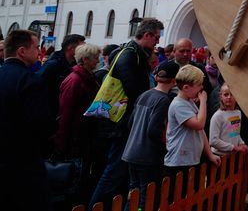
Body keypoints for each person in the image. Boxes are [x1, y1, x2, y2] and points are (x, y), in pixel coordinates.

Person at [89, 17, 164, 209]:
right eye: (156, 38)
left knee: (118, 173)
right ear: (146, 35)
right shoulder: (130, 55)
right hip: (120, 122)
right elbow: (135, 91)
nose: (157, 42)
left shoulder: (130, 53)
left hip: (121, 120)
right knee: (114, 172)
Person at [0, 29, 52, 209]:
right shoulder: (30, 81)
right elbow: (41, 125)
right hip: (22, 164)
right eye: (36, 47)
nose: (39, 52)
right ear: (22, 51)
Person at [122, 60, 179, 206]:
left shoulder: (144, 95)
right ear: (174, 81)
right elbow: (153, 130)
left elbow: (130, 123)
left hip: (131, 152)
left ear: (157, 77)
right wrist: (165, 146)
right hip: (147, 156)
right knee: (145, 198)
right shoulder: (163, 100)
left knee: (133, 194)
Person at [165, 65, 220, 198]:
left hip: (191, 160)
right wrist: (203, 102)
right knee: (178, 199)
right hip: (179, 162)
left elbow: (201, 132)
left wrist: (210, 155)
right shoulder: (178, 105)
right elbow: (199, 125)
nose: (202, 88)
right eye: (199, 85)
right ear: (186, 88)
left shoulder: (188, 102)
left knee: (191, 198)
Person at [209, 83, 248, 157]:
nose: (229, 97)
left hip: (233, 156)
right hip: (219, 156)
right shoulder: (218, 116)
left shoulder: (238, 113)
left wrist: (242, 143)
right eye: (226, 94)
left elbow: (235, 133)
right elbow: (213, 141)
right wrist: (233, 148)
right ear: (221, 97)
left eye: (232, 94)